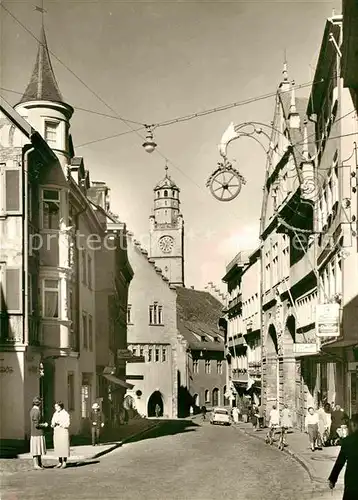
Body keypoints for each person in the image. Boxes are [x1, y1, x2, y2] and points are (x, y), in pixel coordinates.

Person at [328, 414, 358, 500]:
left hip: (352, 477)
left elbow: (340, 461)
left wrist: (333, 479)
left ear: (354, 425)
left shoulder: (348, 441)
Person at [30, 397, 48, 470]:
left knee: (38, 449)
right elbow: (36, 424)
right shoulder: (36, 411)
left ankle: (39, 464)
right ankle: (36, 464)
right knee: (36, 449)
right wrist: (44, 425)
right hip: (36, 433)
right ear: (39, 403)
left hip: (36, 433)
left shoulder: (33, 410)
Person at [51, 402, 70, 469]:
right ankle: (60, 462)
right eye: (55, 407)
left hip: (63, 431)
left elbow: (67, 424)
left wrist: (60, 423)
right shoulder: (55, 414)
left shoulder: (65, 414)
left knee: (64, 446)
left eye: (56, 406)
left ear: (60, 407)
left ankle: (64, 462)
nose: (55, 408)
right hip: (57, 431)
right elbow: (52, 421)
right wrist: (53, 424)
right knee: (58, 446)